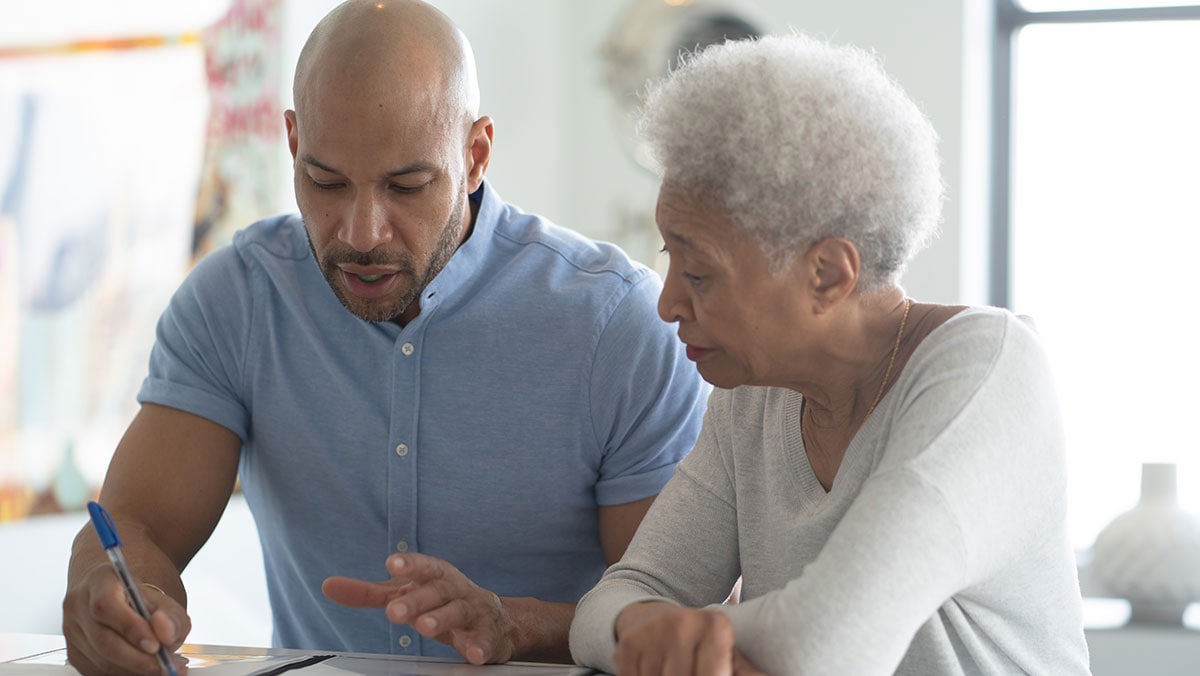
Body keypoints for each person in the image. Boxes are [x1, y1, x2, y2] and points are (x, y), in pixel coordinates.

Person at [61, 1, 709, 673]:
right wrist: (110, 594)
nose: (361, 233)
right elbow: (137, 530)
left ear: (476, 155)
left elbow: (675, 618)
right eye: (325, 181)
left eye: (406, 186)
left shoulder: (617, 327)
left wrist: (514, 624)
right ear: (291, 143)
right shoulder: (239, 302)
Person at [569, 32, 1092, 675]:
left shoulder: (989, 371)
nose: (667, 303)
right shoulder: (752, 398)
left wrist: (663, 634)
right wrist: (642, 622)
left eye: (700, 274)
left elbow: (829, 638)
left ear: (827, 274)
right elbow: (615, 601)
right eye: (668, 261)